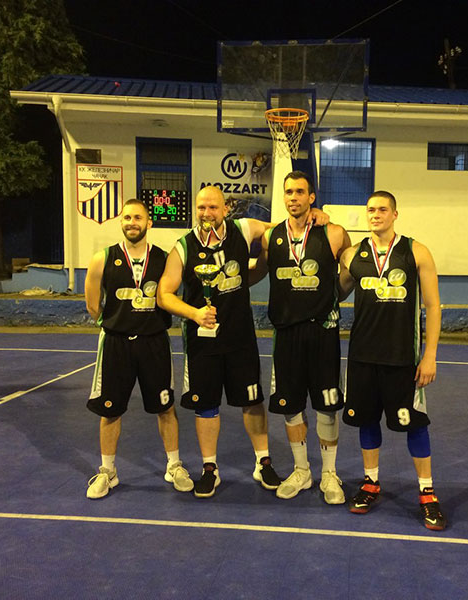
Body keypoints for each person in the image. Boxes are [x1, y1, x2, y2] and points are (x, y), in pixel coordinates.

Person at [157, 185, 284, 499]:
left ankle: (263, 462)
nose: (206, 213)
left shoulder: (244, 229)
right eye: (201, 207)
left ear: (225, 209)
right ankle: (209, 468)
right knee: (206, 406)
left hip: (240, 338)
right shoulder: (183, 247)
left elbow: (282, 231)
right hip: (203, 343)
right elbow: (163, 295)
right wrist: (195, 313)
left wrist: (315, 217)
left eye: (213, 207)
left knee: (252, 401)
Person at [338, 190, 446, 530]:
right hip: (362, 357)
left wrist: (430, 356)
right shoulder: (353, 255)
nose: (376, 214)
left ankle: (427, 493)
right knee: (367, 422)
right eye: (371, 209)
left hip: (403, 359)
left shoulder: (416, 251)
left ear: (395, 214)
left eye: (383, 209)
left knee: (415, 424)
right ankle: (371, 483)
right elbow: (336, 292)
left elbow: (433, 306)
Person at [84, 198, 193, 499]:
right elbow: (92, 305)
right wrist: (116, 323)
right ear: (121, 222)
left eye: (138, 218)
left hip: (154, 342)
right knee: (110, 410)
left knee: (165, 407)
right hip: (116, 344)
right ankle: (108, 471)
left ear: (149, 223)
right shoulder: (102, 258)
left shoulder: (164, 259)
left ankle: (174, 465)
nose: (132, 222)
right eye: (127, 217)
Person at [262, 171, 351, 504]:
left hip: (323, 331)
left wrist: (334, 297)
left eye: (300, 192)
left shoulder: (333, 233)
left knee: (327, 407)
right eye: (288, 192)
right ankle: (302, 470)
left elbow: (351, 271)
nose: (293, 197)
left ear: (312, 197)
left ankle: (329, 473)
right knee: (291, 407)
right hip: (286, 334)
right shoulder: (270, 236)